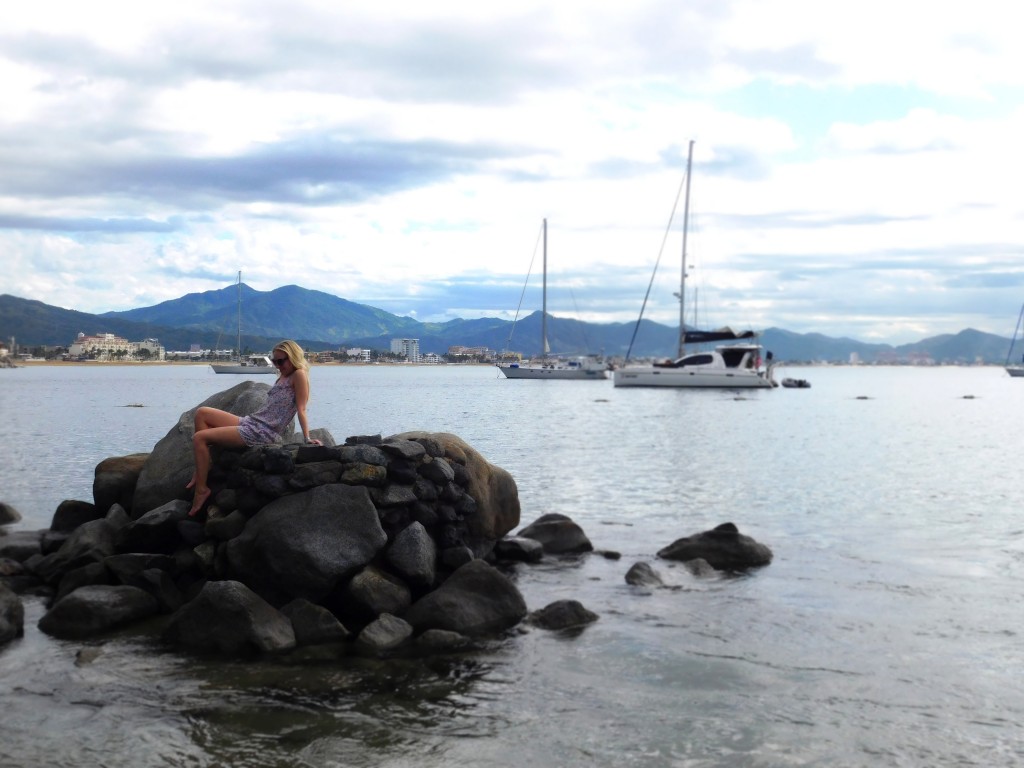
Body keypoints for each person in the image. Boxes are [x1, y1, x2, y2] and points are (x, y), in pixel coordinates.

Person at [186, 340, 321, 516]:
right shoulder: (283, 376)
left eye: (282, 361)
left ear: (293, 357)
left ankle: (201, 490)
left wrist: (307, 437)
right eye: (275, 362)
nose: (278, 365)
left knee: (199, 438)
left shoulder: (299, 375)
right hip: (252, 422)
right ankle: (203, 465)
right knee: (202, 413)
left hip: (263, 432)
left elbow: (301, 408)